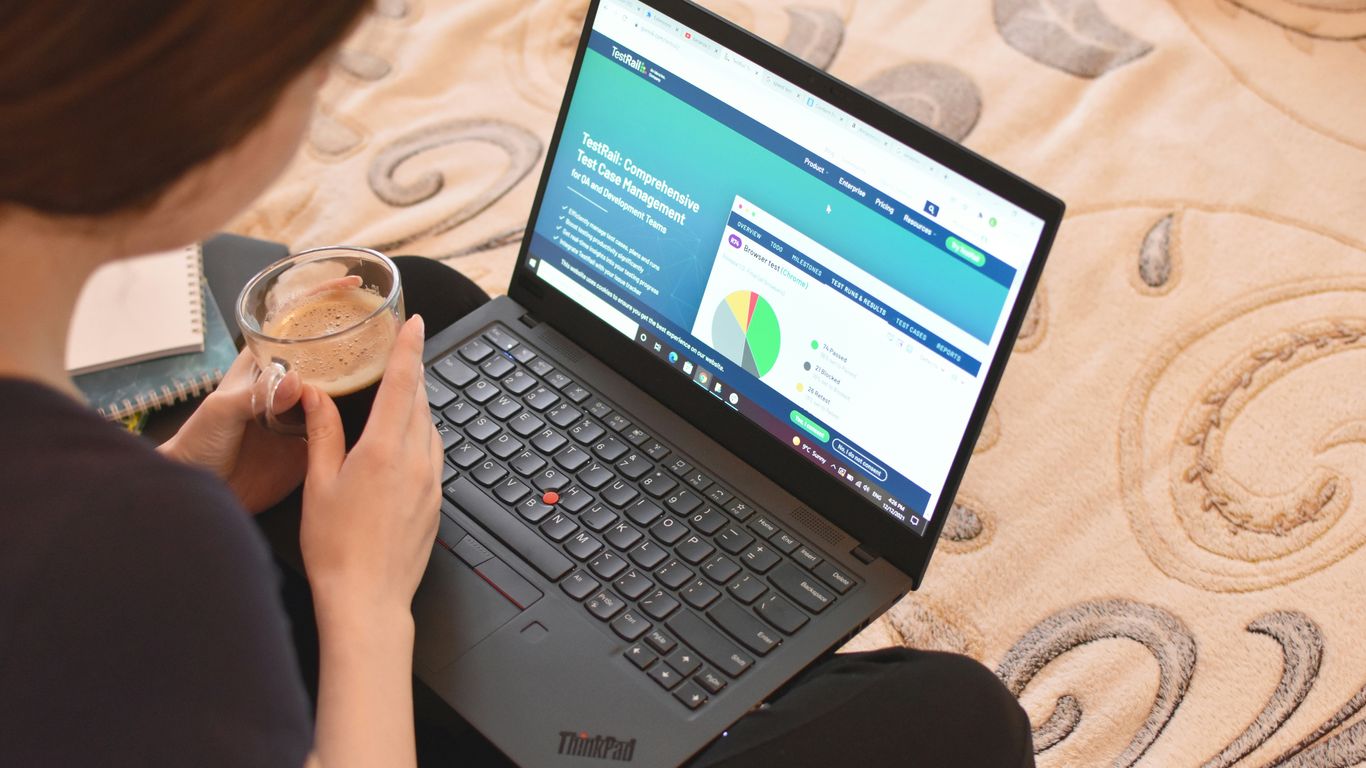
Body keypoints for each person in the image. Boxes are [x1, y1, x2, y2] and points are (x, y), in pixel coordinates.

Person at [0, 2, 1036, 767]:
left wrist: (198, 481)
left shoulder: (90, 501)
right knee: (957, 721)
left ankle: (639, 642)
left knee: (426, 309)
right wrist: (364, 601)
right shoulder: (147, 555)